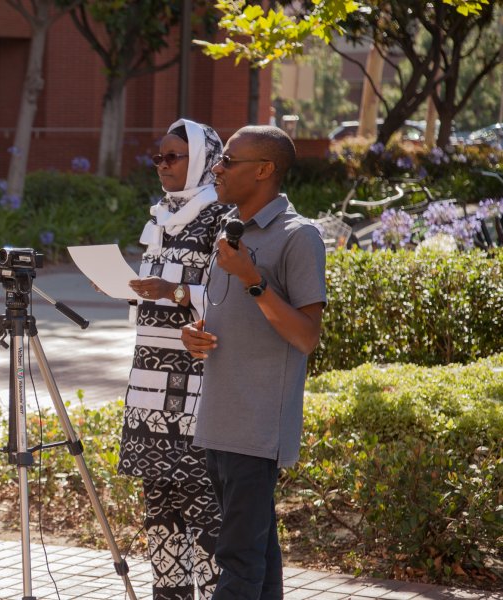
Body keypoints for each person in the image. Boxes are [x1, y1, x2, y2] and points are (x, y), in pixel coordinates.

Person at [181, 125, 327, 600]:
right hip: (219, 417)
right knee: (258, 554)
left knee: (238, 558)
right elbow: (228, 315)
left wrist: (253, 279)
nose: (216, 169)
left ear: (264, 170)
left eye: (228, 161)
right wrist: (195, 334)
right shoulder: (229, 229)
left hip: (258, 425)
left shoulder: (299, 236)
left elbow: (306, 337)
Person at [121, 118, 228, 600]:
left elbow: (230, 299)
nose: (162, 166)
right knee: (159, 503)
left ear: (201, 161)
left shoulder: (221, 218)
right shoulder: (161, 216)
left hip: (196, 381)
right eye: (158, 158)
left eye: (173, 157)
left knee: (203, 503)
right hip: (148, 378)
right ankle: (168, 593)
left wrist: (176, 291)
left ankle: (212, 593)